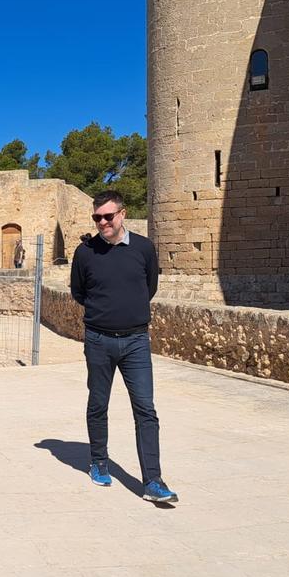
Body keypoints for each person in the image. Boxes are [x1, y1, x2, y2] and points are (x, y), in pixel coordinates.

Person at [69, 190, 177, 503]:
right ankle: (99, 462)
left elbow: (150, 287)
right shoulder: (85, 252)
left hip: (136, 341)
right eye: (97, 217)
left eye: (108, 216)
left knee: (146, 409)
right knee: (98, 404)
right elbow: (78, 291)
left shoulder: (143, 248)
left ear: (123, 214)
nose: (102, 222)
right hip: (99, 340)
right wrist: (103, 312)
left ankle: (153, 480)